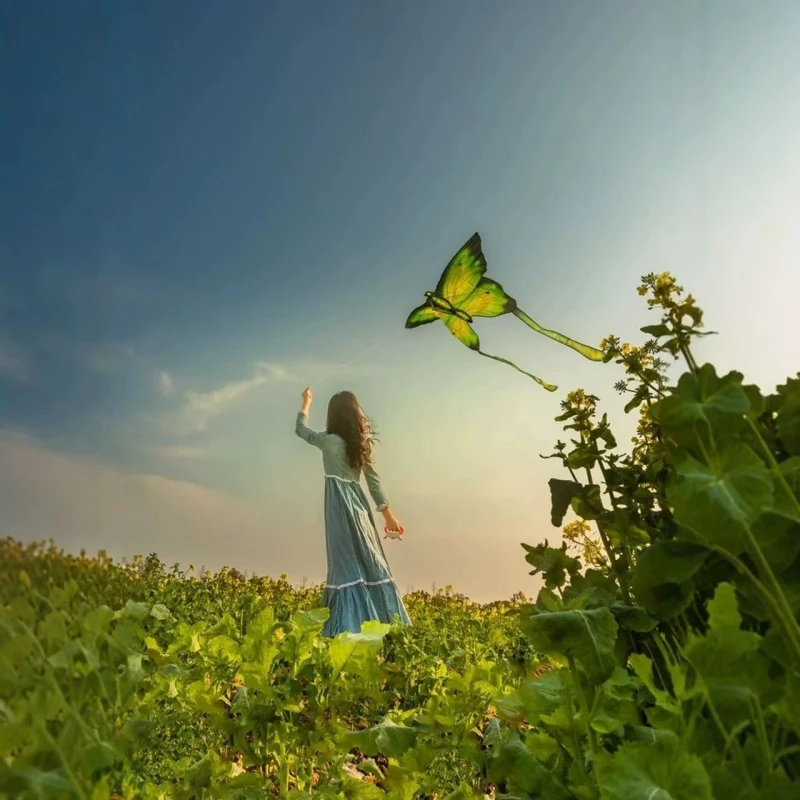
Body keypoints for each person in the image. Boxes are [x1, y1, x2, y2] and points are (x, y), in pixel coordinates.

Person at [295, 386, 412, 637]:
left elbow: (301, 430)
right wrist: (389, 516)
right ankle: (386, 625)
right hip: (360, 508)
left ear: (332, 416)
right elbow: (374, 482)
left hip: (338, 509)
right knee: (370, 560)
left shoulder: (327, 441)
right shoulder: (361, 444)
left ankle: (345, 628)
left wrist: (306, 402)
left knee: (344, 565)